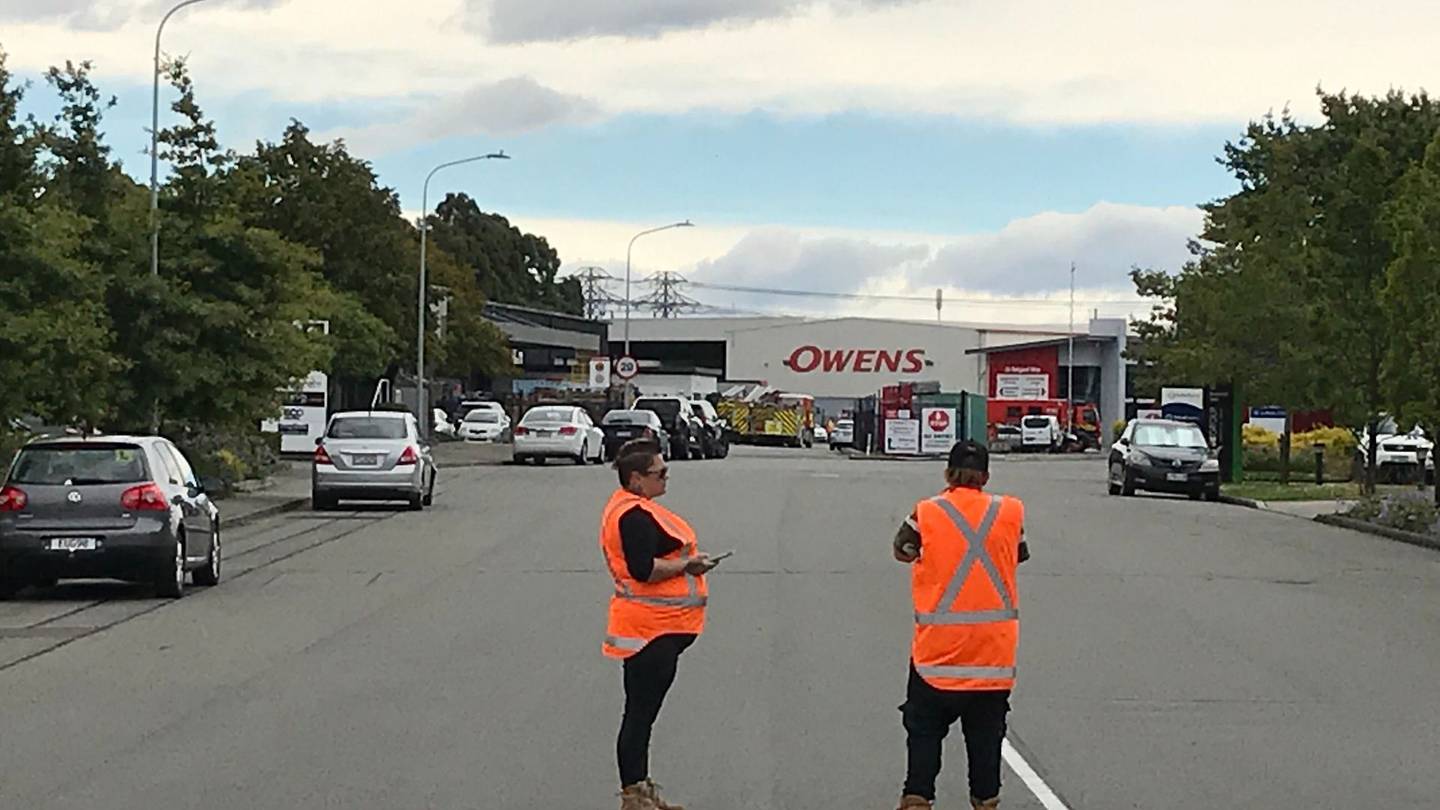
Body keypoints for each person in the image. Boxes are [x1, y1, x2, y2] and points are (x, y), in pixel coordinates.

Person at [891, 440, 1030, 810]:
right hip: (992, 658)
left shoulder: (927, 513)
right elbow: (1019, 553)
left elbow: (901, 549)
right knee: (986, 741)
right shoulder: (1010, 511)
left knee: (923, 737)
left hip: (936, 657)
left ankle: (917, 799)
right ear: (986, 476)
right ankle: (986, 801)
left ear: (947, 473)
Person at [600, 439, 719, 810]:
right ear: (636, 479)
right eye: (659, 473)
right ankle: (634, 796)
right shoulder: (633, 516)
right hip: (651, 631)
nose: (666, 478)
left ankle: (640, 790)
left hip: (655, 629)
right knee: (639, 715)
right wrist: (688, 565)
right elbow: (644, 570)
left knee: (641, 715)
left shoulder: (636, 508)